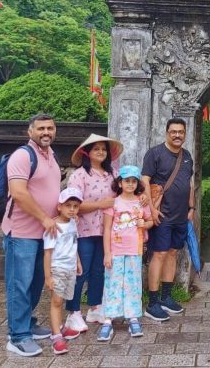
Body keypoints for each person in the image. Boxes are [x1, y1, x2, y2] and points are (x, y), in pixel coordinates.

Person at [2, 113, 62, 357]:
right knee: (20, 283)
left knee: (37, 282)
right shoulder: (22, 155)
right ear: (30, 132)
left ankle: (27, 322)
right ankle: (17, 336)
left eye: (50, 128)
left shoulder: (51, 155)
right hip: (22, 232)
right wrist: (44, 218)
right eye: (41, 128)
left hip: (44, 235)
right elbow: (19, 193)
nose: (46, 132)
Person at [64, 134, 123, 333]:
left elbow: (125, 194)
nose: (100, 152)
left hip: (106, 231)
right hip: (84, 230)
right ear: (87, 152)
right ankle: (73, 312)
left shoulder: (113, 174)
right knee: (81, 271)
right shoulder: (79, 175)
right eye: (96, 149)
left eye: (103, 149)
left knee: (100, 271)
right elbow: (72, 205)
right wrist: (101, 204)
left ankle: (95, 307)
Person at [142, 118, 195, 322]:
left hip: (180, 215)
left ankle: (166, 297)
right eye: (173, 132)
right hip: (162, 214)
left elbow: (189, 183)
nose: (177, 135)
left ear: (185, 134)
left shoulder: (187, 156)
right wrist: (151, 210)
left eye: (181, 132)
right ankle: (153, 303)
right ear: (167, 133)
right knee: (159, 254)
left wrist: (191, 208)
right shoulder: (155, 153)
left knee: (173, 253)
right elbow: (145, 181)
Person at [98, 166, 154, 340]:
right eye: (126, 180)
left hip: (134, 250)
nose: (130, 184)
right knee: (112, 283)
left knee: (133, 283)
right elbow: (107, 229)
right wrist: (107, 253)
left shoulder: (141, 202)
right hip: (115, 250)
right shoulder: (113, 203)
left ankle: (133, 317)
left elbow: (150, 220)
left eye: (133, 181)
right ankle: (108, 318)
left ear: (137, 184)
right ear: (120, 183)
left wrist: (145, 224)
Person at [43, 187, 84, 355]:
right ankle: (56, 336)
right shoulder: (53, 226)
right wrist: (48, 277)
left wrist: (78, 262)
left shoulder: (73, 223)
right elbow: (47, 253)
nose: (72, 209)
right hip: (57, 268)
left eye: (75, 206)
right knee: (57, 301)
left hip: (70, 267)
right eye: (68, 205)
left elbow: (74, 243)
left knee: (63, 299)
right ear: (59, 206)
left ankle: (60, 326)